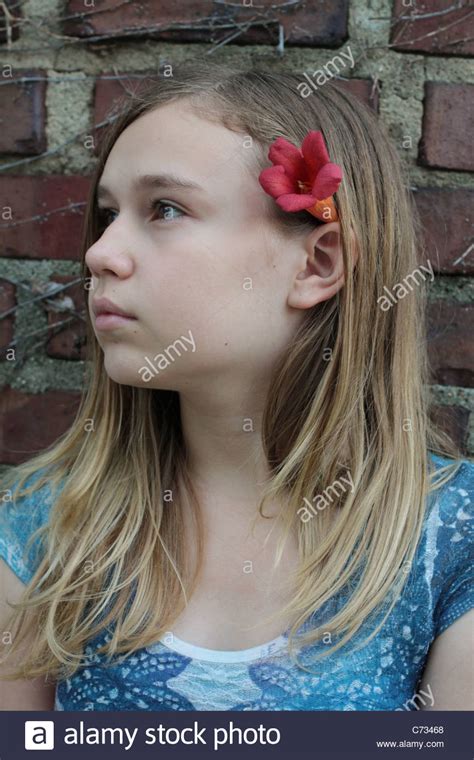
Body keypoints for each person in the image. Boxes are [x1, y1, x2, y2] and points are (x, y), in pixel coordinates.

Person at [0, 63, 472, 712]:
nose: (101, 252)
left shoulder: (448, 540)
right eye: (108, 214)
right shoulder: (43, 528)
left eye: (164, 208)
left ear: (318, 263)